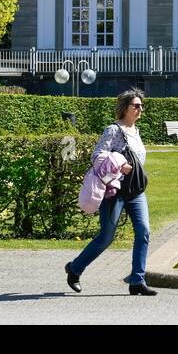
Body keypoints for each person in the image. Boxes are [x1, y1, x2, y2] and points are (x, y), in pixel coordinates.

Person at [66, 89, 155, 296]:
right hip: (115, 191)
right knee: (106, 237)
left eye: (141, 105)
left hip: (136, 190)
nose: (140, 108)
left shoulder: (136, 130)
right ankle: (74, 269)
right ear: (124, 108)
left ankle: (137, 281)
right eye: (136, 105)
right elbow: (97, 155)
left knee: (144, 231)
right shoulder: (113, 130)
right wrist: (119, 164)